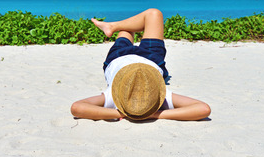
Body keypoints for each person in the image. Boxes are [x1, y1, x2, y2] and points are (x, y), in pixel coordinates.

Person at [70, 8, 211, 121]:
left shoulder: (114, 97)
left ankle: (113, 26)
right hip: (152, 60)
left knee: (126, 30)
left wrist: (118, 113)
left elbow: (77, 108)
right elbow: (203, 109)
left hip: (118, 57)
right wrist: (155, 114)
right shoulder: (155, 96)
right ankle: (112, 26)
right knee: (154, 14)